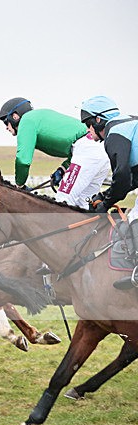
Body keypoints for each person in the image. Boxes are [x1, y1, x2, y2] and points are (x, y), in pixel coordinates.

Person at [0, 97, 110, 207]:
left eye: (6, 122)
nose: (6, 128)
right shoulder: (38, 116)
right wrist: (63, 169)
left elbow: (23, 160)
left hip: (87, 151)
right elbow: (77, 147)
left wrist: (19, 186)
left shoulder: (26, 121)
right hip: (100, 150)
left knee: (63, 202)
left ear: (15, 116)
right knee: (83, 205)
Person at [79, 95, 138, 290]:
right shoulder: (129, 121)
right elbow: (131, 179)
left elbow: (121, 176)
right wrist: (106, 196)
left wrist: (105, 203)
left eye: (88, 124)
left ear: (98, 120)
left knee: (135, 215)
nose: (88, 130)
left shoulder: (114, 133)